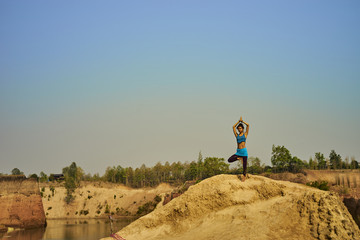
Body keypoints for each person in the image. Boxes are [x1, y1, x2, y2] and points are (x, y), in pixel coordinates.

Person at [228, 116, 249, 181]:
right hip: (238, 152)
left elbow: (248, 125)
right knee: (229, 160)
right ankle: (239, 158)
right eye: (238, 128)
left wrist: (242, 121)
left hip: (244, 151)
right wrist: (238, 122)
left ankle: (244, 176)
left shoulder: (245, 134)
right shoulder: (236, 135)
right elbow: (233, 127)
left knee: (244, 166)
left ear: (242, 129)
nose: (239, 129)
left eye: (240, 128)